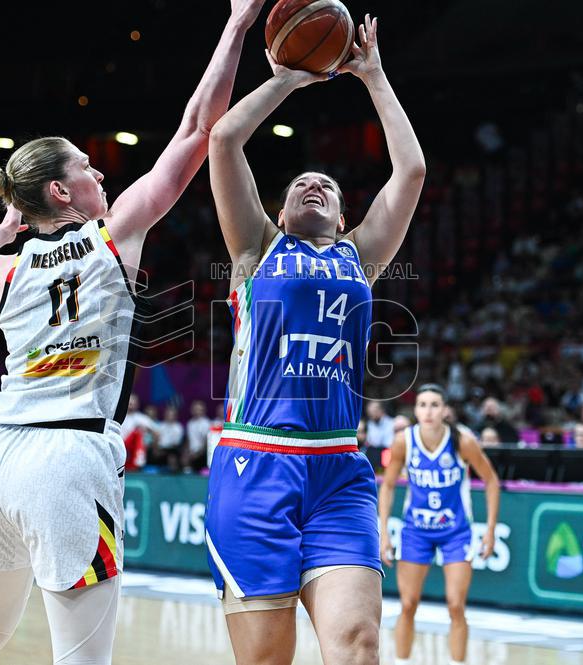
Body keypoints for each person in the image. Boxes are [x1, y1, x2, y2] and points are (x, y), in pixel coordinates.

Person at [0, 4, 263, 663]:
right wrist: (236, 26)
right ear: (61, 193)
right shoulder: (112, 237)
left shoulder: (2, 271)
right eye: (86, 167)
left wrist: (7, 227)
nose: (100, 172)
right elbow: (196, 127)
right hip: (66, 461)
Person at [206, 15, 426, 664]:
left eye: (327, 186)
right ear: (277, 211)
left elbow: (410, 171)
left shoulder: (360, 256)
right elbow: (222, 140)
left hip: (338, 469)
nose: (313, 184)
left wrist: (375, 76)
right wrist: (284, 81)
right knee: (270, 658)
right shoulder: (254, 250)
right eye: (300, 183)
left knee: (357, 645)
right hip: (256, 464)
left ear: (343, 214)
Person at [378, 384, 500, 665]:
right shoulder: (403, 441)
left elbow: (492, 481)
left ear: (445, 410)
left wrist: (490, 530)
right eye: (422, 405)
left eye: (435, 405)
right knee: (408, 604)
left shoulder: (463, 441)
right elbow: (387, 486)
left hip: (455, 531)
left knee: (456, 606)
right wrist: (384, 533)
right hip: (416, 530)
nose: (428, 411)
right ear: (415, 410)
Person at [183, 400, 213, 472]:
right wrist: (186, 452)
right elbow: (188, 440)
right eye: (195, 409)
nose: (197, 411)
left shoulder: (207, 423)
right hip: (192, 452)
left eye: (199, 410)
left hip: (202, 453)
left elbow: (207, 442)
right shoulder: (190, 423)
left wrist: (197, 454)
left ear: (203, 411)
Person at [154, 405, 185, 472]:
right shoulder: (160, 426)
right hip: (161, 448)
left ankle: (173, 472)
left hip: (173, 449)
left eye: (171, 415)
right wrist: (157, 448)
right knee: (154, 452)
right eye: (168, 414)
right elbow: (157, 439)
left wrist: (164, 449)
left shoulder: (178, 427)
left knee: (172, 455)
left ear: (175, 416)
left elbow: (176, 443)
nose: (169, 416)